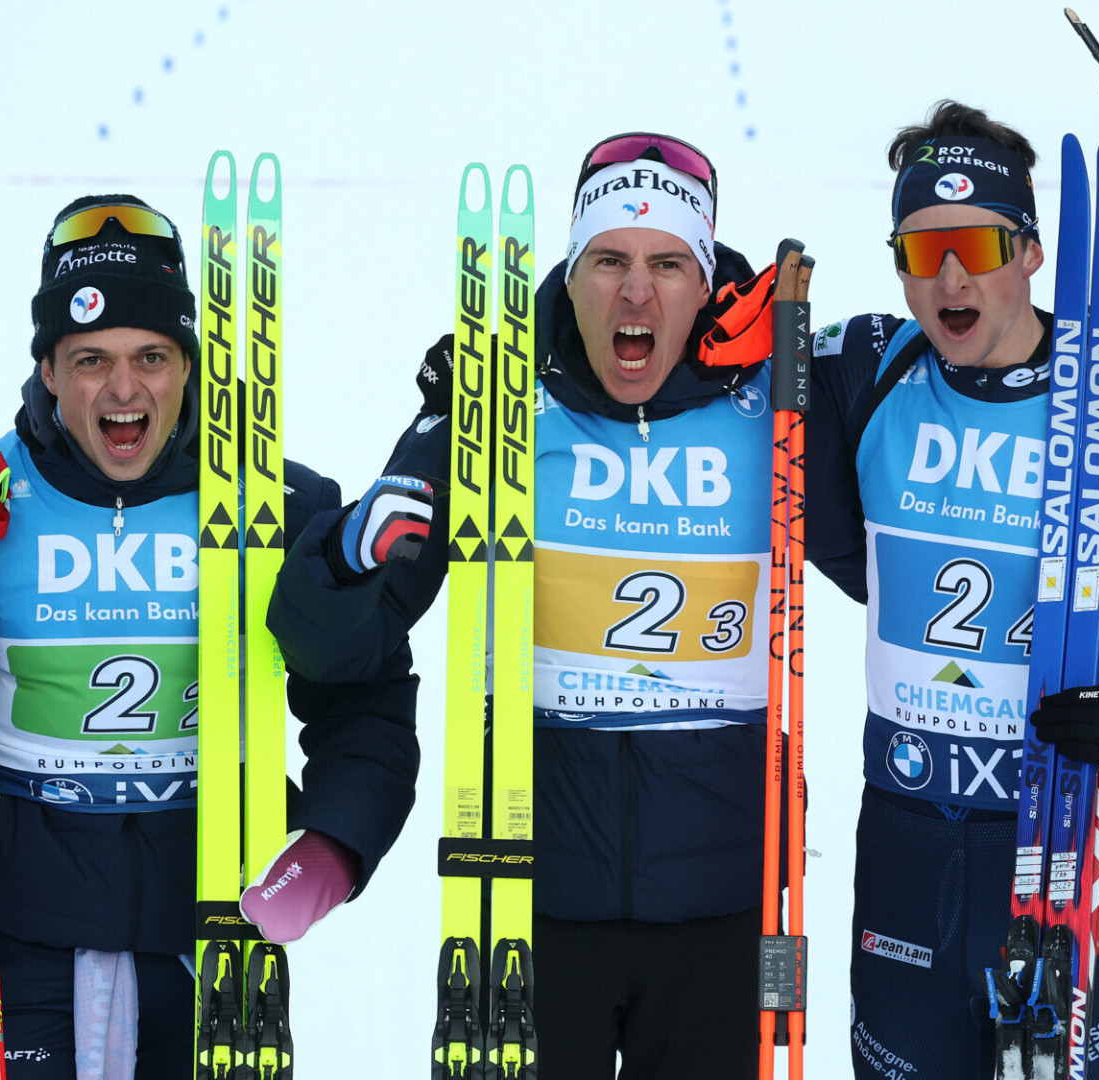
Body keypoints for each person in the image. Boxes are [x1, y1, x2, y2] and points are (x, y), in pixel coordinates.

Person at [268, 134, 790, 1077]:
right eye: (610, 261)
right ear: (572, 272)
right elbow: (338, 645)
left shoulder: (776, 401)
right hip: (527, 911)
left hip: (725, 915)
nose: (637, 294)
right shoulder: (498, 405)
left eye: (669, 264)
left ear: (706, 280)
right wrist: (343, 565)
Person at [0, 195, 419, 1078]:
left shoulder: (277, 504)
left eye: (152, 357)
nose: (124, 390)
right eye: (91, 360)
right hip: (24, 941)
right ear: (48, 367)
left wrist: (336, 841)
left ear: (188, 364)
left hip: (215, 936)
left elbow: (366, 697)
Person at [805, 99, 1099, 1078]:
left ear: (1030, 251)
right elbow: (680, 358)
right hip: (907, 846)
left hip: (1071, 840)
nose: (950, 277)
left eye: (978, 245)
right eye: (921, 248)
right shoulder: (866, 367)